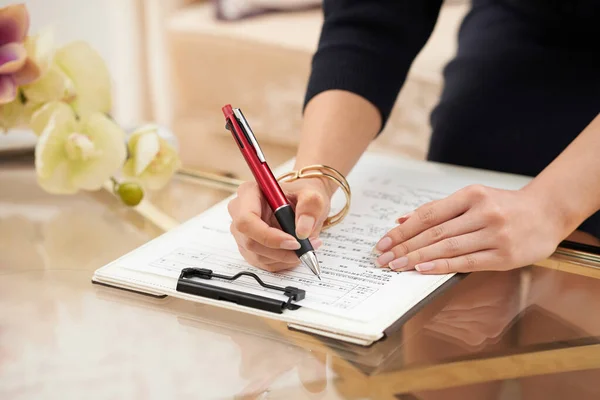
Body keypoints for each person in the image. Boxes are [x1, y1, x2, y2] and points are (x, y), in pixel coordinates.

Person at [226, 0, 600, 275]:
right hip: (526, 16)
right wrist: (314, 177)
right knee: (470, 148)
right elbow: (370, 20)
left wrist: (551, 208)